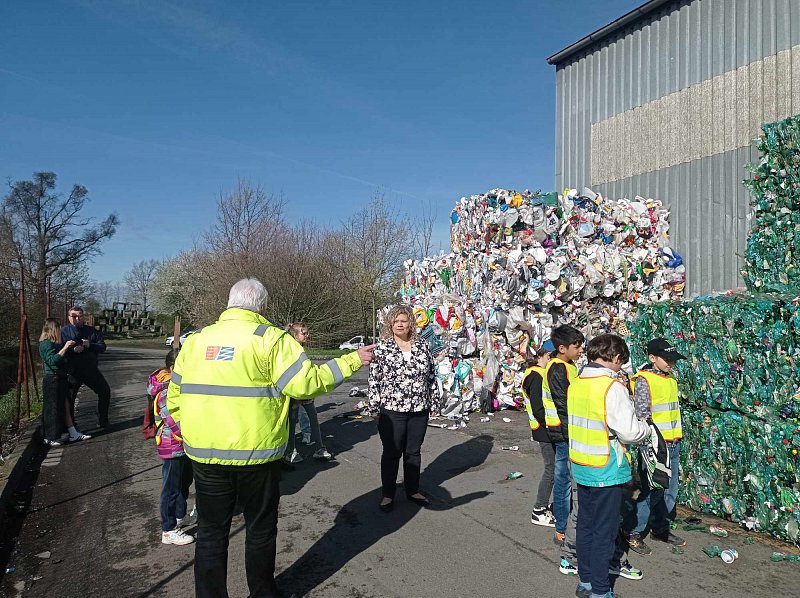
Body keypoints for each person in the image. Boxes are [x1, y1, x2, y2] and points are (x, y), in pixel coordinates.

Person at [166, 278, 373, 598]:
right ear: (262, 306)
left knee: (210, 534)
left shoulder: (196, 341)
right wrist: (352, 359)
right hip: (257, 455)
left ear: (230, 302)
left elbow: (174, 398)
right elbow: (306, 384)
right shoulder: (271, 339)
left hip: (205, 455)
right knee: (260, 529)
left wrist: (191, 431)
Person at [568, 334, 650, 598]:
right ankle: (601, 590)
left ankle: (586, 581)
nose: (620, 368)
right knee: (604, 531)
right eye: (620, 362)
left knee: (585, 526)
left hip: (581, 464)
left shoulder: (577, 383)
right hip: (605, 467)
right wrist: (646, 430)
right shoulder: (611, 387)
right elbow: (629, 432)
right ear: (615, 358)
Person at [368, 304, 440, 512]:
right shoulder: (382, 348)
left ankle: (413, 490)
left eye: (404, 320)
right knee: (392, 452)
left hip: (419, 408)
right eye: (396, 321)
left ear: (411, 323)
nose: (400, 324)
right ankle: (388, 494)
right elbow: (374, 379)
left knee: (413, 452)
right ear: (390, 324)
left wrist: (434, 401)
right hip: (392, 410)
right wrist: (374, 408)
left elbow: (432, 376)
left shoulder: (422, 345)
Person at [625, 337, 687, 555]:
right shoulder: (644, 380)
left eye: (673, 360)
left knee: (670, 490)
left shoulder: (670, 379)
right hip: (655, 446)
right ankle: (632, 532)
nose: (671, 363)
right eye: (667, 359)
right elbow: (643, 416)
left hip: (673, 442)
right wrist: (649, 446)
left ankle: (660, 527)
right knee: (652, 490)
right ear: (652, 358)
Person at [542, 324, 584, 544]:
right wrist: (572, 434)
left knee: (566, 479)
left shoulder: (568, 366)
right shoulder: (558, 368)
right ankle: (561, 528)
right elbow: (563, 405)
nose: (581, 350)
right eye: (576, 347)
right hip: (562, 432)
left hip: (566, 430)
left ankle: (567, 522)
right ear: (562, 348)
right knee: (563, 480)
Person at [150, 348, 196, 546]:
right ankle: (168, 529)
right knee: (171, 488)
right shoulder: (167, 389)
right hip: (173, 443)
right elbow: (171, 418)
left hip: (181, 443)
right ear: (172, 368)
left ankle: (179, 515)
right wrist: (188, 435)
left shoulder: (176, 384)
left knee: (183, 482)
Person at [283, 322, 333, 464]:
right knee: (292, 421)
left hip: (306, 390)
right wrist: (296, 395)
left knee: (313, 418)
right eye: (304, 333)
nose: (307, 335)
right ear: (295, 335)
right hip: (296, 391)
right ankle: (291, 451)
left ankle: (319, 448)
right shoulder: (291, 349)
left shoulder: (301, 349)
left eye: (307, 332)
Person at [39, 318, 92, 445]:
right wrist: (65, 347)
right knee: (52, 408)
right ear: (53, 329)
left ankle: (73, 433)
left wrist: (71, 349)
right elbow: (53, 361)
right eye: (58, 328)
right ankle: (50, 437)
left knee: (66, 406)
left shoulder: (54, 344)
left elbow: (63, 357)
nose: (60, 331)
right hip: (52, 379)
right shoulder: (46, 344)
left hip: (61, 377)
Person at [61, 306, 111, 428]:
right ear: (69, 317)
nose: (77, 318)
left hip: (90, 370)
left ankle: (103, 420)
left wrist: (90, 345)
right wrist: (71, 350)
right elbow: (58, 350)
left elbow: (102, 347)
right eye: (74, 316)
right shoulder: (63, 332)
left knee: (105, 391)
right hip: (73, 371)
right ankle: (71, 425)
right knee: (70, 398)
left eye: (80, 316)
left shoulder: (91, 331)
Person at [522, 339, 555, 526]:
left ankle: (547, 506)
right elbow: (538, 407)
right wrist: (551, 426)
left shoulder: (536, 372)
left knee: (554, 468)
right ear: (548, 356)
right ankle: (539, 510)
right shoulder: (537, 376)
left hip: (544, 427)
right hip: (543, 429)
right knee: (551, 468)